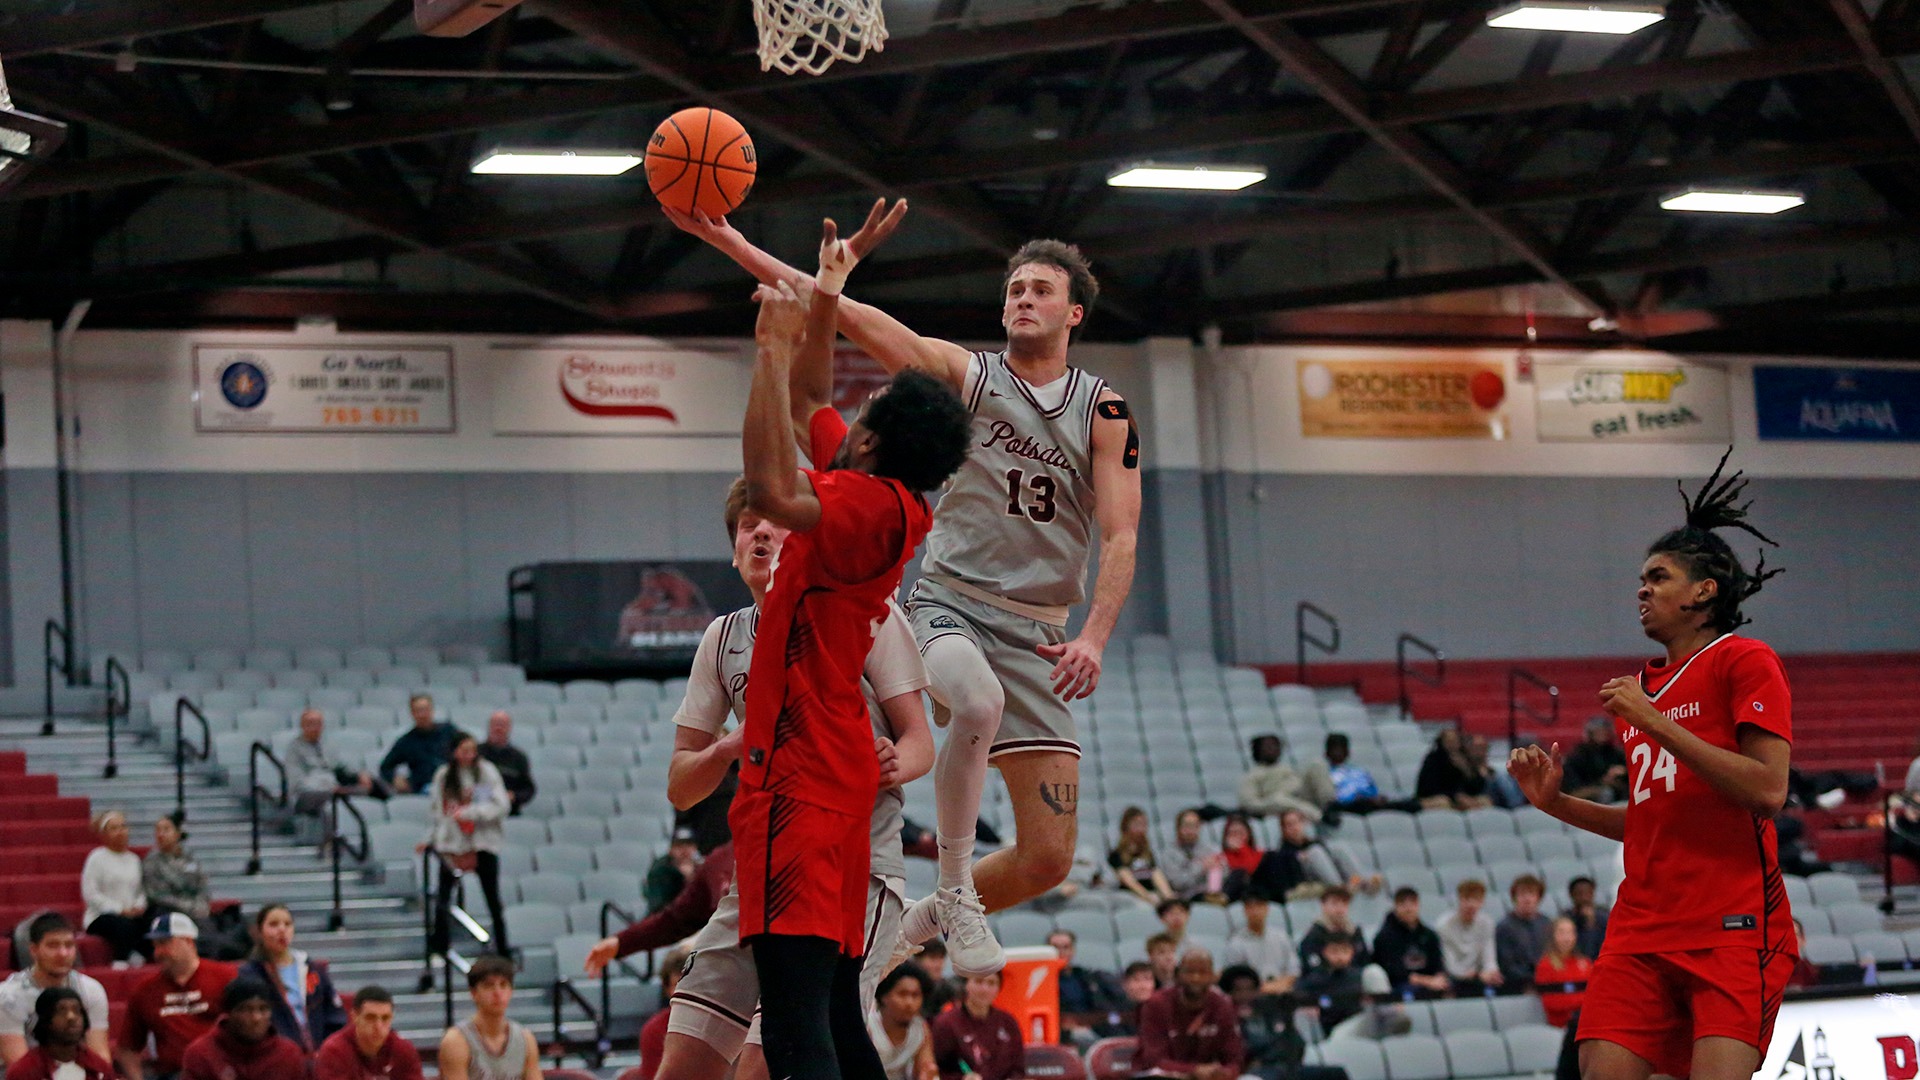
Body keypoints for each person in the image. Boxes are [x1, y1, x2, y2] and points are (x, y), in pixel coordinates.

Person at [673, 204, 1143, 982]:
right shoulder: (967, 375)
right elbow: (848, 316)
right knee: (979, 705)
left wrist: (1093, 635)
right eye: (1014, 288)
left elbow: (1121, 535)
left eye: (1041, 290)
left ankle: (925, 917)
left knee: (1048, 859)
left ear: (1075, 312)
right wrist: (729, 242)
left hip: (1041, 626)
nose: (1023, 299)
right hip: (950, 603)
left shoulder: (1105, 408)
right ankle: (955, 887)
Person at [582, 345, 938, 1080]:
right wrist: (822, 292)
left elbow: (917, 740)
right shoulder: (727, 634)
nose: (764, 532)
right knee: (726, 1050)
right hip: (782, 828)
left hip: (837, 827)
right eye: (748, 525)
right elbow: (682, 785)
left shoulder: (854, 556)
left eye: (771, 522)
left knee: (789, 1038)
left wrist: (771, 347)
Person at [692, 229, 967, 1080]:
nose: (852, 416)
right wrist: (824, 296)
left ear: (873, 444)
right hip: (835, 777)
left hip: (800, 782)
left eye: (869, 411)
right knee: (838, 1012)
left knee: (795, 1021)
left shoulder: (856, 506)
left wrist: (764, 355)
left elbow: (772, 488)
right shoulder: (880, 496)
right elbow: (816, 391)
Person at [1507, 451, 1796, 1080]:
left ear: (1704, 591)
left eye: (1659, 577)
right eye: (1641, 578)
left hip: (1732, 923)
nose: (1642, 588)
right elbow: (1650, 819)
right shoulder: (1640, 690)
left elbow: (1770, 791)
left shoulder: (1744, 661)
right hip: (1640, 926)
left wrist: (1655, 722)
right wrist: (1555, 802)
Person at [422, 731, 512, 973]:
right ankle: (439, 947)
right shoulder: (443, 776)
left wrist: (472, 812)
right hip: (452, 844)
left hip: (483, 842)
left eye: (472, 750)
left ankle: (504, 950)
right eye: (463, 750)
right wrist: (431, 839)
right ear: (454, 751)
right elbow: (438, 812)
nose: (468, 755)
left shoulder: (486, 772)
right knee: (443, 899)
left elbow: (501, 805)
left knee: (493, 899)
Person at [116, 914, 237, 1080]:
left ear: (188, 942)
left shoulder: (226, 977)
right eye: (155, 946)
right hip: (173, 1074)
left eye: (165, 943)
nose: (158, 952)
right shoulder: (145, 991)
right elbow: (128, 1047)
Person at [0, 913, 110, 1067]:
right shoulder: (8, 997)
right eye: (53, 945)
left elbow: (100, 1055)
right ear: (33, 950)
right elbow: (19, 1066)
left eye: (69, 945)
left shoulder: (91, 990)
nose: (62, 954)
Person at [238, 903, 346, 1054]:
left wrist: (328, 1050)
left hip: (319, 1054)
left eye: (287, 924)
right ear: (260, 931)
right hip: (276, 1057)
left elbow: (335, 1016)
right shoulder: (250, 974)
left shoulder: (312, 969)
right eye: (274, 924)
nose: (282, 929)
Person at [1135, 949, 1243, 1080]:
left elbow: (1234, 1058)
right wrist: (1194, 1070)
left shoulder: (1223, 1005)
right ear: (1178, 975)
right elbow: (1153, 1060)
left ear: (1213, 976)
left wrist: (1225, 1073)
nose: (1196, 978)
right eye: (1189, 972)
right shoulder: (1156, 1004)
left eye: (1203, 972)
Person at [178, 977, 308, 1080]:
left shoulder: (288, 1055)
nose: (256, 1018)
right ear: (229, 1013)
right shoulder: (202, 1054)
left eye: (263, 1009)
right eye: (246, 1009)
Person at [438, 955, 540, 1080]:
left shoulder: (526, 1039)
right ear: (473, 993)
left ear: (511, 991)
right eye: (489, 986)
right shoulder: (456, 1041)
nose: (497, 993)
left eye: (503, 985)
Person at [288, 708, 387, 816]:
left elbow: (340, 766)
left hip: (333, 789)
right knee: (331, 795)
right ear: (302, 726)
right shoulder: (294, 749)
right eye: (310, 723)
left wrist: (359, 775)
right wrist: (326, 787)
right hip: (309, 794)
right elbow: (297, 781)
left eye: (318, 724)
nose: (315, 728)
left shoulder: (326, 745)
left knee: (372, 784)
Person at [81, 809, 150, 960]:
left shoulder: (134, 860)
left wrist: (138, 906)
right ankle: (121, 962)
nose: (120, 832)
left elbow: (141, 890)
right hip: (101, 916)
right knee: (122, 926)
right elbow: (91, 894)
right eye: (114, 828)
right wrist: (119, 909)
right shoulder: (96, 858)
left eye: (123, 827)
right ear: (104, 834)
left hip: (131, 915)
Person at [314, 986, 423, 1080]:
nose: (378, 1026)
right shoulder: (334, 1051)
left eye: (385, 1018)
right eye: (371, 1018)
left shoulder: (403, 1050)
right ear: (354, 1017)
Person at [2, 989, 113, 1080]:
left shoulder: (98, 1067)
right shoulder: (24, 1072)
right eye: (61, 1011)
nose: (71, 1017)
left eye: (77, 1010)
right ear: (45, 1020)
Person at [930, 972, 1023, 1080]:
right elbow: (935, 1070)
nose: (985, 989)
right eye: (978, 981)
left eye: (992, 983)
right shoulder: (946, 1023)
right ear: (966, 984)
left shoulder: (1008, 1023)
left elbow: (1018, 1068)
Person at [1219, 964, 1304, 1080]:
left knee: (1333, 1074)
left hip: (1285, 1067)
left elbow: (1295, 1042)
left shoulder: (1270, 1013)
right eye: (1238, 990)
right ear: (1228, 994)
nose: (1245, 996)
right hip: (1253, 1072)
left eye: (1250, 990)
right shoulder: (1225, 1019)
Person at [1274, 809, 1382, 897]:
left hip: (1327, 874)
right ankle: (1340, 889)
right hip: (1308, 881)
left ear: (1304, 824)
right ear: (1284, 829)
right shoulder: (1284, 851)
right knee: (1315, 852)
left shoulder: (1312, 842)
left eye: (1297, 822)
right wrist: (1298, 858)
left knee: (1337, 848)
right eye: (1289, 825)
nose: (1294, 828)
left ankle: (1359, 882)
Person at [1372, 887, 1450, 999]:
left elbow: (1438, 962)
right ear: (1395, 906)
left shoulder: (1429, 934)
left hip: (1429, 982)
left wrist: (1439, 978)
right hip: (1399, 985)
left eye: (1412, 903)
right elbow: (1393, 971)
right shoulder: (1384, 937)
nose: (1408, 909)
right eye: (1403, 904)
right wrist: (1426, 981)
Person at [377, 693, 458, 794]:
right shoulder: (406, 741)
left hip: (453, 784)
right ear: (412, 713)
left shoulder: (449, 731)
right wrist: (394, 778)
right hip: (423, 788)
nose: (423, 714)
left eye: (425, 709)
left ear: (432, 710)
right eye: (418, 711)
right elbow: (385, 767)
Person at [1304, 734, 1400, 817]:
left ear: (1348, 752)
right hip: (1345, 808)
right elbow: (1330, 799)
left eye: (1342, 749)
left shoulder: (1360, 771)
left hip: (1369, 805)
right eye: (1335, 749)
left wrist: (1376, 798)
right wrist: (1356, 798)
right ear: (1326, 753)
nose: (1338, 752)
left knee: (1404, 805)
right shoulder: (1323, 773)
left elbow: (1373, 792)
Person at [142, 813, 212, 925]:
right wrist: (189, 908)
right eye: (158, 830)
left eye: (166, 830)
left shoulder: (190, 858)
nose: (161, 834)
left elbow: (202, 886)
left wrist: (201, 905)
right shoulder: (151, 861)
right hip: (168, 912)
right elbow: (158, 896)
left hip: (195, 910)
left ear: (178, 833)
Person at [1221, 893, 1297, 995]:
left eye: (1259, 906)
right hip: (1251, 995)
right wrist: (1263, 988)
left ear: (1267, 908)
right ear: (1244, 911)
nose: (1255, 911)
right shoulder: (1236, 942)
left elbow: (1294, 971)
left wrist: (1277, 986)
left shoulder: (1282, 937)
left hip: (1282, 992)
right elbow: (1236, 977)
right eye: (1250, 907)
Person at [868, 967, 936, 1080]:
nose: (909, 1002)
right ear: (884, 996)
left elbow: (927, 1068)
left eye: (915, 995)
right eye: (902, 994)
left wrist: (928, 1073)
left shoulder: (920, 1029)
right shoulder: (868, 1026)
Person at [1436, 880, 1502, 996]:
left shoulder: (1487, 923)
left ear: (1482, 902)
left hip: (1480, 977)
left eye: (1476, 900)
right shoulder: (1444, 925)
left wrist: (1491, 972)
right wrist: (1476, 975)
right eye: (1466, 899)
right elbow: (1450, 965)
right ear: (1459, 900)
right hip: (1455, 978)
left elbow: (1489, 957)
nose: (1471, 905)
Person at [636, 947, 691, 1080]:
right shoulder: (654, 1030)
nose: (683, 992)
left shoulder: (723, 1024)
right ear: (666, 990)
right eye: (675, 985)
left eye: (688, 985)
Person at [1238, 736, 1321, 821]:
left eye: (1275, 745)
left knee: (1316, 765)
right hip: (1271, 809)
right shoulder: (1252, 775)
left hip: (1296, 803)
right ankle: (1318, 816)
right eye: (1268, 746)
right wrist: (1271, 802)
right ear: (1258, 750)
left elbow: (1297, 787)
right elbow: (1248, 803)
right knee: (1279, 800)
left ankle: (1327, 808)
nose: (1272, 749)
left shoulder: (1288, 770)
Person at [1496, 875, 1555, 991]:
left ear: (1538, 898)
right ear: (1514, 898)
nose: (1527, 899)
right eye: (1522, 894)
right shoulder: (1505, 927)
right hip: (1517, 985)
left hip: (1546, 981)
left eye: (1532, 894)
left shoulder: (1546, 923)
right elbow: (1507, 965)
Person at [1297, 934, 1367, 1031]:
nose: (1340, 957)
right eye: (1334, 952)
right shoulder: (1314, 980)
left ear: (1352, 952)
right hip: (1329, 1030)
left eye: (1345, 951)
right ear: (1325, 952)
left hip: (1358, 1027)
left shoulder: (1361, 977)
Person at [1295, 887, 1370, 975]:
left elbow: (1365, 962)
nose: (1340, 909)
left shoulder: (1355, 932)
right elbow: (1312, 968)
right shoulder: (1314, 935)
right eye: (1334, 903)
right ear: (1323, 905)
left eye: (1344, 903)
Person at [1108, 806, 1174, 904]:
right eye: (1137, 824)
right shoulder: (1116, 854)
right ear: (1126, 826)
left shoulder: (1147, 853)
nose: (1141, 829)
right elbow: (1126, 879)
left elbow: (1155, 873)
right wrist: (1147, 896)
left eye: (1144, 824)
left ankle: (1171, 900)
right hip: (1132, 894)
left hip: (1152, 891)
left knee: (1156, 873)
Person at [1536, 917, 1593, 1028]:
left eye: (1570, 933)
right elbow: (1552, 1002)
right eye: (1561, 933)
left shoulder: (1585, 963)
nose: (1567, 938)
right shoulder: (1545, 965)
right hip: (1561, 1026)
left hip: (1586, 1023)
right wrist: (1583, 1002)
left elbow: (1595, 995)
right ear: (1553, 936)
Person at [1050, 930, 1121, 1019]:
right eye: (1055, 948)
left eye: (1066, 947)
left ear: (1073, 950)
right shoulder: (1042, 983)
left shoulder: (1088, 977)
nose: (1060, 952)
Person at [476, 711, 536, 817]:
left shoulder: (519, 757)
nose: (498, 728)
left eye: (502, 725)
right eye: (495, 724)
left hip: (509, 813)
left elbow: (528, 789)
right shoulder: (476, 753)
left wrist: (514, 796)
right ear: (489, 726)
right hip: (479, 812)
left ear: (509, 728)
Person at [1415, 730, 1492, 811]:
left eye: (1455, 741)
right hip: (1438, 797)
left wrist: (1466, 771)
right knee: (1443, 803)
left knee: (1485, 801)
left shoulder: (1466, 759)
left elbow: (1476, 788)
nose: (1453, 745)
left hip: (1462, 798)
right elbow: (1429, 788)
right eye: (1449, 741)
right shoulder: (1433, 760)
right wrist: (1455, 796)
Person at [1160, 810, 1226, 903]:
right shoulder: (1169, 853)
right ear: (1178, 828)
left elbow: (1225, 874)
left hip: (1211, 892)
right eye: (1187, 826)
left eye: (1195, 826)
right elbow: (1177, 883)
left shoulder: (1209, 849)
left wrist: (1220, 866)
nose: (1191, 830)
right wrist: (1201, 867)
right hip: (1186, 897)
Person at [1563, 717, 1629, 804]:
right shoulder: (1578, 756)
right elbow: (1574, 789)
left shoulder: (1615, 753)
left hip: (1616, 793)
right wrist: (1603, 782)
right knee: (1606, 793)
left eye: (1605, 731)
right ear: (1590, 734)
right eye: (1599, 732)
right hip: (1585, 794)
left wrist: (1623, 772)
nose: (1603, 734)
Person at [1092, 962, 1157, 1039]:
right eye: (1136, 980)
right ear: (1125, 984)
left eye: (1147, 979)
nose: (1143, 986)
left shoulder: (1160, 1011)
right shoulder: (1115, 1013)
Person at [645, 828, 702, 913]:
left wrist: (691, 878)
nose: (684, 851)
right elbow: (658, 908)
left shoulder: (702, 869)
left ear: (695, 848)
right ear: (671, 850)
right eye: (679, 846)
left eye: (688, 845)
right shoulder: (660, 872)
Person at [1564, 877, 1610, 960]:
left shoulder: (1604, 917)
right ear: (1571, 895)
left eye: (1587, 893)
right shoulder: (1566, 919)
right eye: (1579, 894)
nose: (1584, 898)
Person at [1218, 815, 1262, 900]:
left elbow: (1250, 868)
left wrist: (1242, 849)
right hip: (1231, 891)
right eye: (1232, 833)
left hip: (1253, 891)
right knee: (1238, 873)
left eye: (1240, 833)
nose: (1236, 837)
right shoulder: (1221, 855)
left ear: (1248, 834)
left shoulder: (1258, 853)